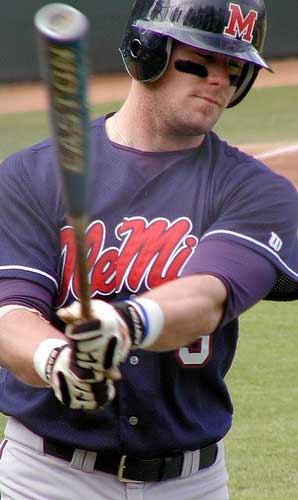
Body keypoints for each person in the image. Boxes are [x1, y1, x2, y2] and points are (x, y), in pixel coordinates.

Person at [0, 0, 297, 499]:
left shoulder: (255, 190)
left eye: (235, 68)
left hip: (192, 484)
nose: (219, 80)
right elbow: (10, 312)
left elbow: (207, 297)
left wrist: (124, 323)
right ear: (145, 52)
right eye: (199, 62)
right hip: (47, 479)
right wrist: (57, 359)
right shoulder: (30, 175)